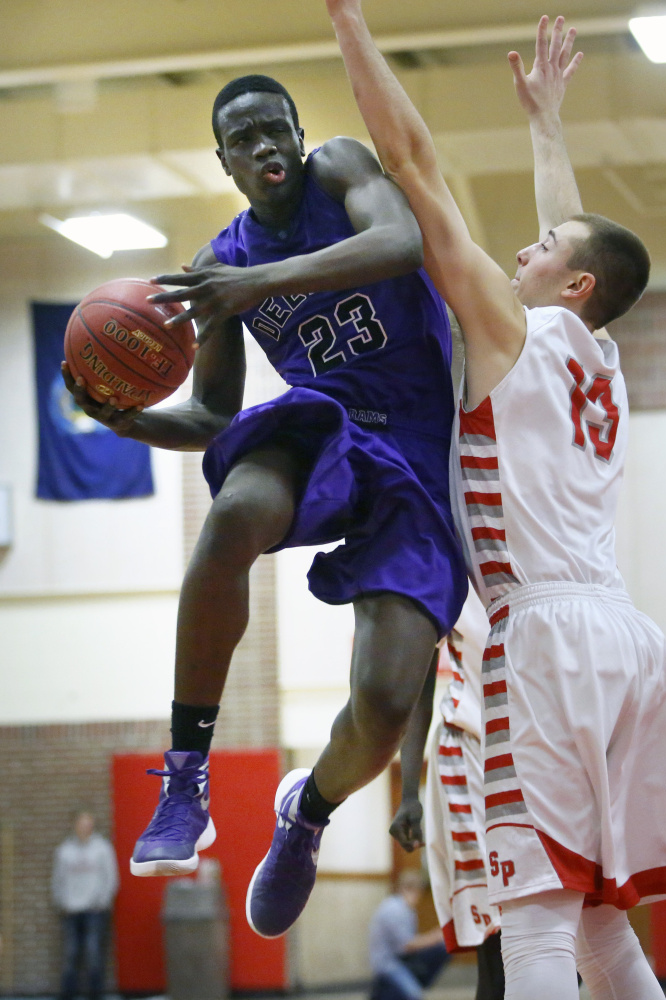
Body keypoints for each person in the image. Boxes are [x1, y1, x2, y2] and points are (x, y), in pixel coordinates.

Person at [324, 4, 666, 998]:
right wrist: (545, 125)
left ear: (572, 283)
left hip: (545, 640)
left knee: (531, 921)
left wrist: (346, 21)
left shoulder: (506, 329)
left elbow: (409, 160)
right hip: (625, 641)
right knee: (597, 927)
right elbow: (577, 246)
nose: (519, 252)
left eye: (540, 248)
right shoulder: (601, 359)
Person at [63, 73, 466, 938]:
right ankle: (185, 777)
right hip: (329, 425)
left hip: (424, 450)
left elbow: (399, 242)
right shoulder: (219, 264)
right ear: (226, 163)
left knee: (388, 705)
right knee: (235, 511)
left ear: (297, 134)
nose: (265, 147)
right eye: (244, 140)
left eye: (275, 130)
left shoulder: (340, 172)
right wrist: (128, 418)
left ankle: (307, 812)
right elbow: (212, 412)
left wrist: (259, 286)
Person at [391, 577, 504, 1000]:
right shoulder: (455, 544)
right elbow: (419, 672)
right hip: (472, 749)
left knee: (567, 933)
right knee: (500, 941)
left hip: (541, 748)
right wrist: (407, 793)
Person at [51, 811, 119, 1000]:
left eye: (88, 824)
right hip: (71, 910)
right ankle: (68, 994)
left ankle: (95, 995)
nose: (84, 827)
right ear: (75, 825)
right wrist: (61, 902)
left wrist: (102, 902)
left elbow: (111, 878)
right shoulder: (64, 850)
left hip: (94, 911)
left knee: (93, 955)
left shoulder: (102, 848)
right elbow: (58, 879)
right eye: (81, 823)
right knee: (70, 955)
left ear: (92, 826)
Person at [369, 870, 450, 1000]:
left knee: (442, 949)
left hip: (401, 959)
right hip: (389, 963)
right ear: (409, 889)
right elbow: (407, 945)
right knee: (414, 995)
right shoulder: (394, 909)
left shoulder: (406, 910)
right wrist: (436, 936)